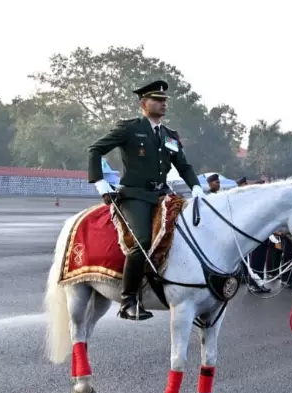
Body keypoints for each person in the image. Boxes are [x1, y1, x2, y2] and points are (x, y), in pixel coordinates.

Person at [87, 80, 205, 321]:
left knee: (188, 236)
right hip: (135, 195)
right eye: (157, 100)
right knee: (141, 241)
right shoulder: (129, 129)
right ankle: (128, 299)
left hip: (162, 195)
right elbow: (95, 149)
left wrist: (196, 187)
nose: (163, 104)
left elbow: (183, 165)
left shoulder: (170, 135)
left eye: (164, 101)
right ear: (143, 103)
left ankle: (184, 292)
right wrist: (100, 184)